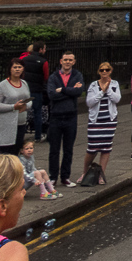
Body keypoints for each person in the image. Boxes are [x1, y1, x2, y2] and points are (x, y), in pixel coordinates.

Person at [75, 62, 121, 183]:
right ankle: (85, 172)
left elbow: (117, 99)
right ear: (99, 72)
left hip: (109, 121)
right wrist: (101, 92)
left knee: (106, 148)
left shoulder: (115, 84)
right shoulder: (93, 85)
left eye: (107, 70)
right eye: (102, 70)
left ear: (110, 71)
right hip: (95, 120)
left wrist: (108, 89)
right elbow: (89, 102)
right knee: (92, 148)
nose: (104, 72)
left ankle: (101, 175)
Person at [46, 51, 83, 187]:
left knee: (68, 149)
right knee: (54, 149)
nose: (67, 62)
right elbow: (51, 95)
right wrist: (70, 91)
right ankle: (53, 176)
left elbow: (79, 92)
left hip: (71, 116)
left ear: (74, 62)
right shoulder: (53, 77)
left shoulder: (77, 75)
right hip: (56, 117)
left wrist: (61, 90)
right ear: (61, 61)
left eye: (70, 60)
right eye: (65, 60)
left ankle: (65, 177)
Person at [0, 59, 31, 156]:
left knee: (15, 154)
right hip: (6, 125)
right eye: (15, 67)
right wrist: (13, 107)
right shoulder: (3, 85)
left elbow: (29, 100)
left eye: (19, 67)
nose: (17, 69)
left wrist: (26, 106)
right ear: (10, 69)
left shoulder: (24, 83)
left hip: (20, 123)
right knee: (4, 155)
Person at [18, 42, 49, 142]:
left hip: (25, 89)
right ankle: (38, 136)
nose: (45, 50)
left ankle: (20, 135)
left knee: (23, 112)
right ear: (40, 49)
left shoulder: (23, 59)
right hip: (37, 90)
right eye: (44, 49)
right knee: (37, 113)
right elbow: (46, 76)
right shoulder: (44, 62)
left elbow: (20, 72)